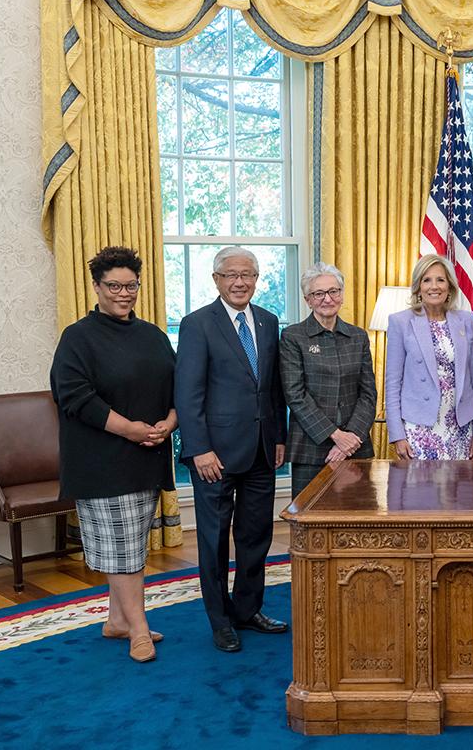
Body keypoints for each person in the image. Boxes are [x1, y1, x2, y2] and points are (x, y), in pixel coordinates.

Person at [50, 246, 176, 663]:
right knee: (123, 550)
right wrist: (130, 429)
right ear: (97, 286)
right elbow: (74, 397)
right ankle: (138, 628)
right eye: (115, 286)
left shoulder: (152, 335)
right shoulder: (77, 337)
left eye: (131, 285)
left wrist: (171, 421)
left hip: (146, 456)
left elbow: (177, 385)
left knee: (130, 543)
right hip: (101, 459)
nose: (124, 293)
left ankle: (116, 619)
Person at [175, 246, 287, 653]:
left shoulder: (268, 321)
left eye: (248, 275)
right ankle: (220, 620)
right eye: (231, 275)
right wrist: (199, 448)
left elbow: (272, 388)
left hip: (261, 451)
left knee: (256, 534)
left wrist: (278, 436)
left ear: (257, 279)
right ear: (217, 280)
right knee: (214, 539)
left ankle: (248, 610)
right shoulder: (197, 324)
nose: (240, 282)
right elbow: (188, 393)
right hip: (215, 457)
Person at [280, 262, 377, 496]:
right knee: (308, 522)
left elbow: (368, 394)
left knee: (357, 520)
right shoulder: (293, 336)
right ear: (308, 299)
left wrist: (350, 438)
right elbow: (295, 394)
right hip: (311, 448)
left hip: (356, 446)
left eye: (333, 291)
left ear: (342, 295)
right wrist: (336, 436)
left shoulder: (357, 336)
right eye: (318, 293)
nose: (327, 298)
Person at [385, 254, 473, 460]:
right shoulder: (400, 322)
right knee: (421, 490)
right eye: (426, 280)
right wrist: (396, 435)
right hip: (419, 427)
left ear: (450, 286)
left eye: (440, 280)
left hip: (460, 426)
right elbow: (392, 383)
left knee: (459, 490)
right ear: (418, 287)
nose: (433, 286)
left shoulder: (467, 320)